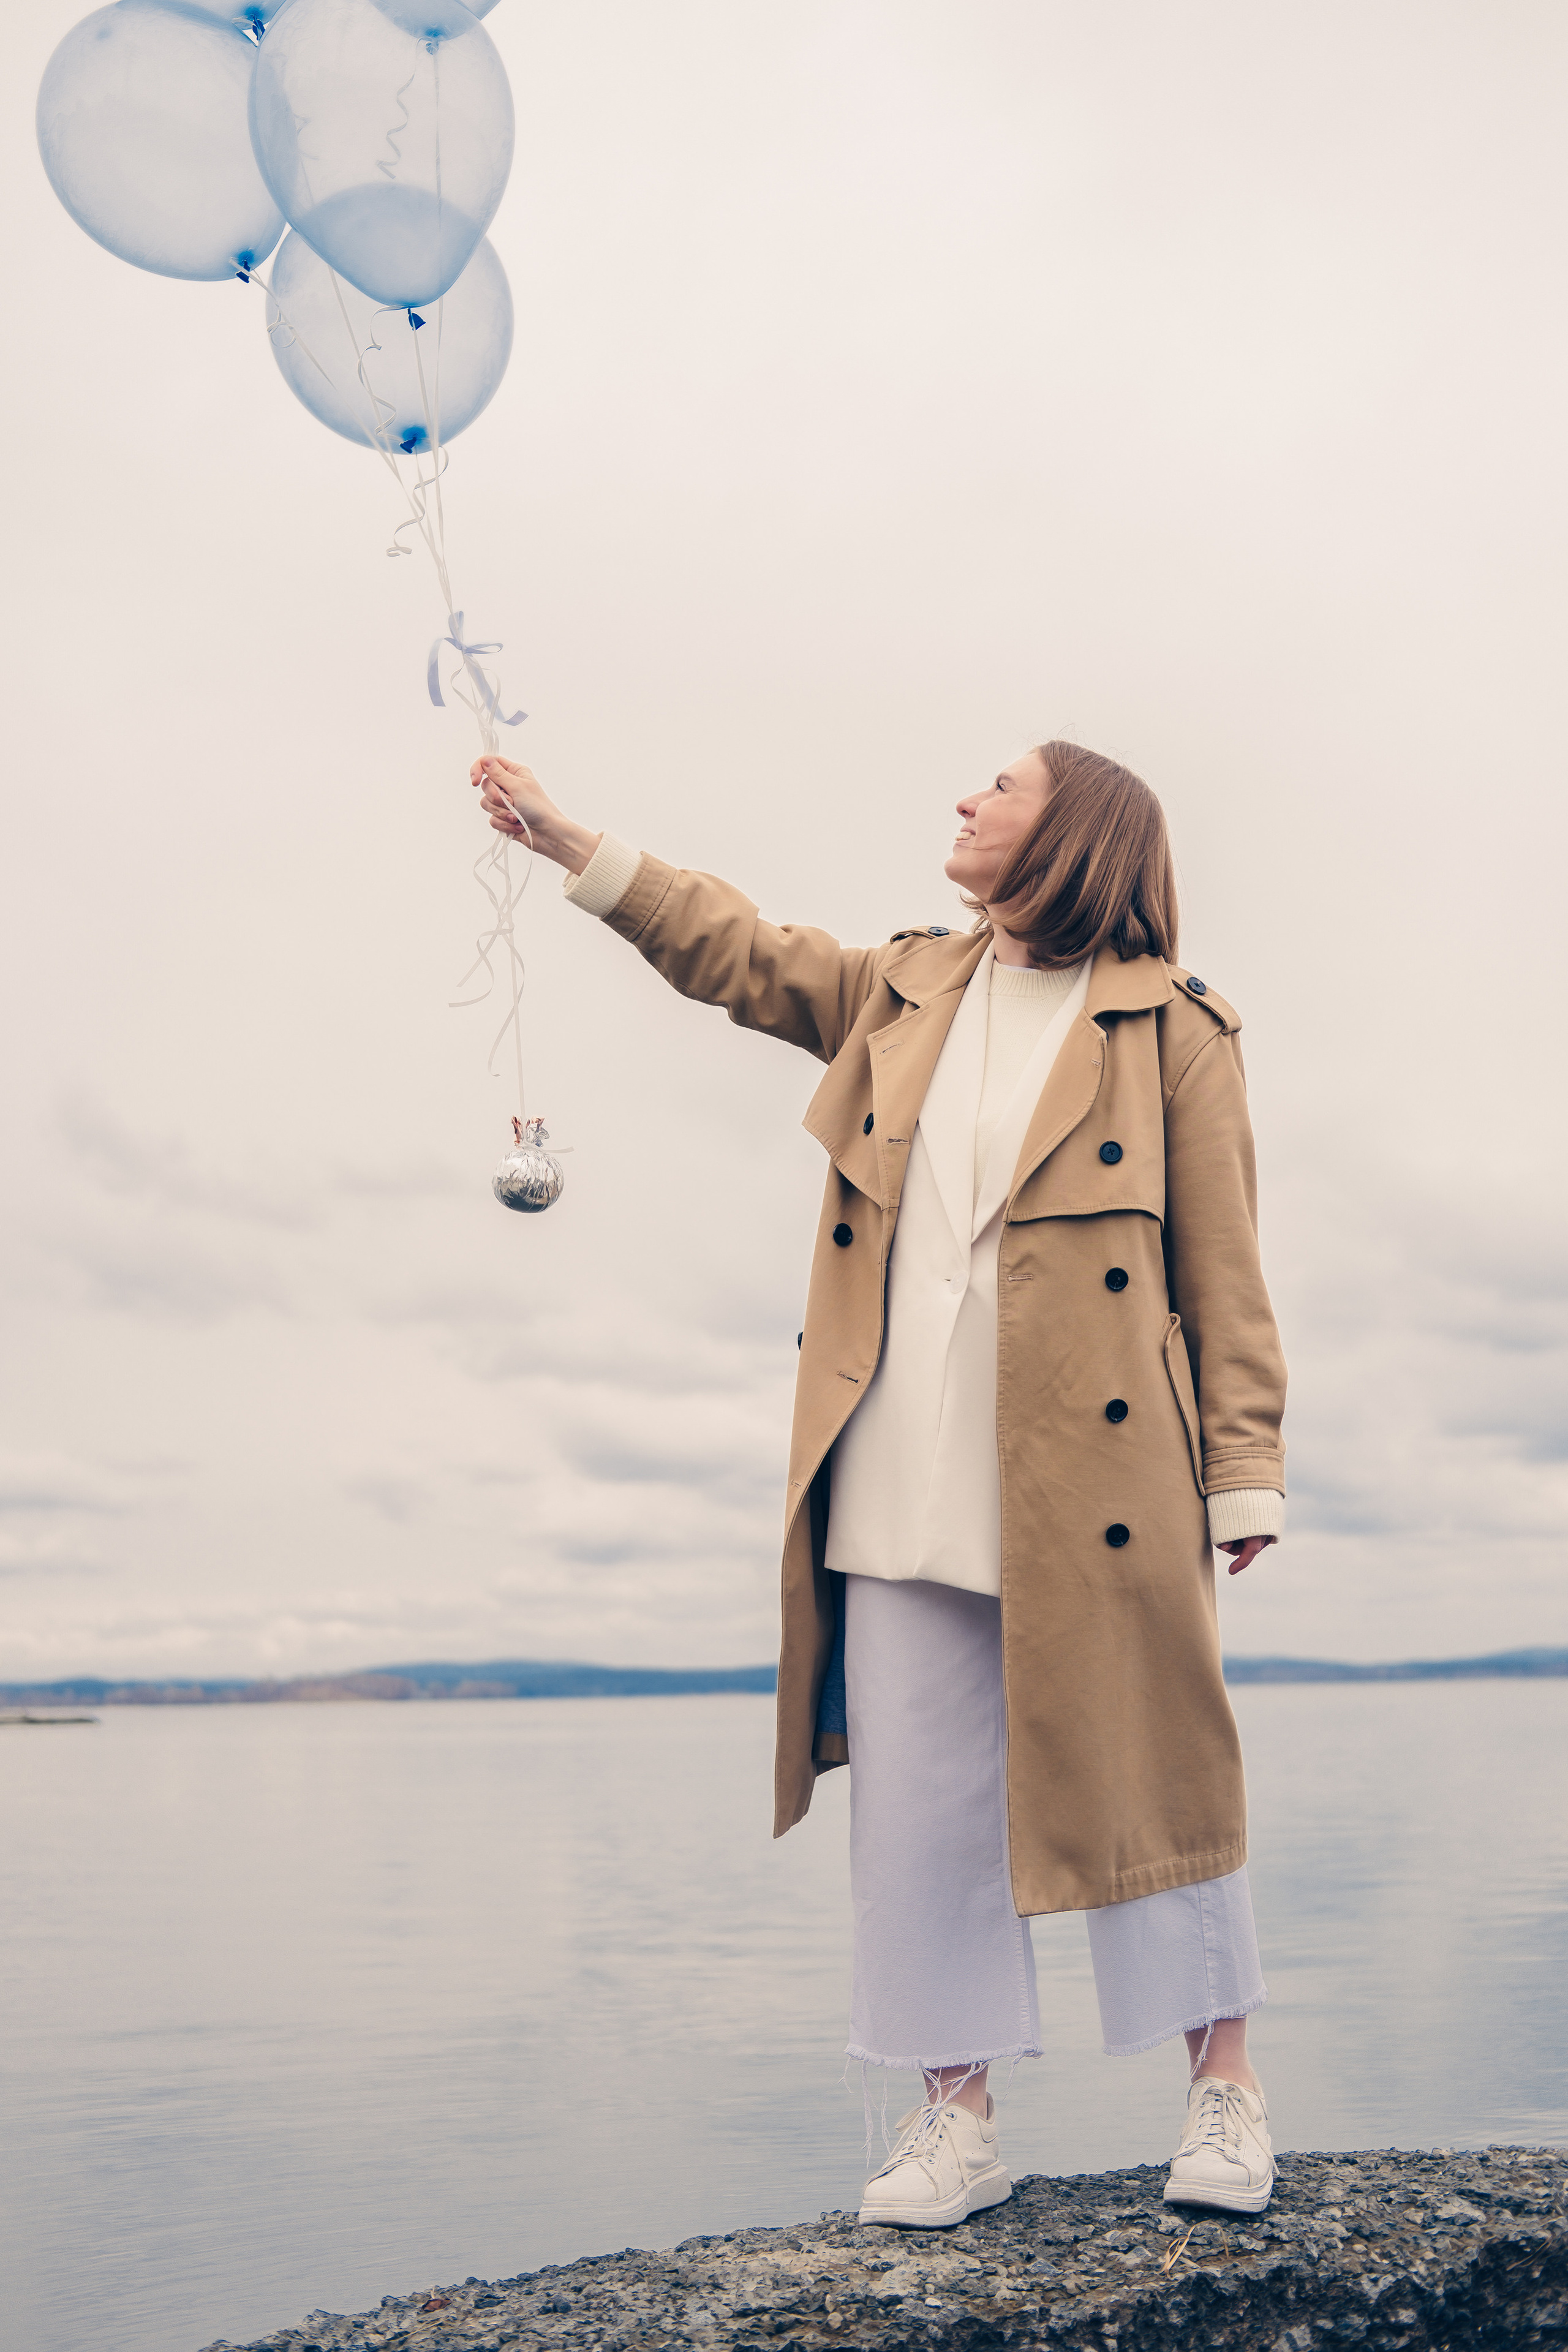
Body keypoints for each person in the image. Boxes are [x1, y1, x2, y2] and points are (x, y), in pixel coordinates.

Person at [472, 741, 1287, 2226]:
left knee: (1156, 1770)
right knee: (916, 1804)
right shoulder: (899, 991)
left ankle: (1220, 2090)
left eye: (1001, 787)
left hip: (1102, 1469)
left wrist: (1241, 1476)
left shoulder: (1174, 1026)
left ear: (1075, 834)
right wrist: (568, 845)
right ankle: (951, 2118)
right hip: (901, 1452)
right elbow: (732, 950)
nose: (966, 803)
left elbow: (1223, 1268)